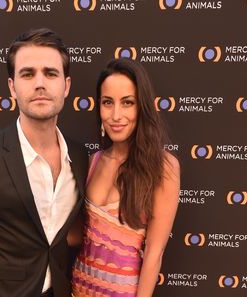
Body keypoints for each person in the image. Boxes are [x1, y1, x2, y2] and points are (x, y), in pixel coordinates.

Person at [0, 28, 88, 297]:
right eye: (27, 74)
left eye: (50, 73)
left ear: (66, 86)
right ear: (12, 86)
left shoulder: (80, 156)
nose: (40, 83)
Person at [72, 58, 180, 297]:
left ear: (141, 107)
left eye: (127, 102)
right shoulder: (93, 161)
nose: (116, 115)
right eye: (107, 102)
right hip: (78, 287)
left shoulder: (163, 167)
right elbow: (76, 235)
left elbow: (154, 253)